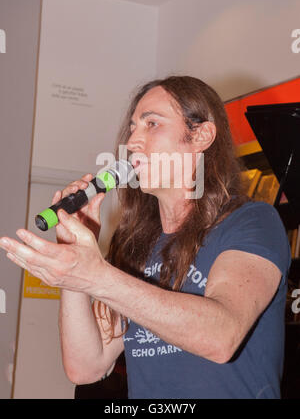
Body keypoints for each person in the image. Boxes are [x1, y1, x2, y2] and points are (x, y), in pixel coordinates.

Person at [0, 76, 291, 399]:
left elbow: (220, 338)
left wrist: (96, 276)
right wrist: (76, 270)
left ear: (202, 135)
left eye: (152, 124)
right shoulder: (136, 244)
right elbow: (86, 366)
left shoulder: (251, 222)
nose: (134, 141)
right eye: (133, 127)